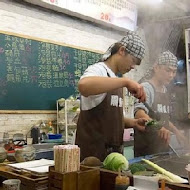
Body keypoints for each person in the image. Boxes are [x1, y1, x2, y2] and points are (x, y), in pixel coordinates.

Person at [75, 31, 148, 161]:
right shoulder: (99, 70)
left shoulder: (115, 79)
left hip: (113, 157)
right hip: (93, 158)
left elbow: (112, 118)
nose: (132, 67)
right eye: (133, 61)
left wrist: (134, 123)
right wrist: (126, 82)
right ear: (121, 50)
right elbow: (83, 85)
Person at [134, 51, 187, 157]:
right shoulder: (147, 88)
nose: (171, 75)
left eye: (174, 72)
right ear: (156, 68)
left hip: (162, 150)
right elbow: (139, 113)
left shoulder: (165, 90)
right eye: (168, 70)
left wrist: (177, 132)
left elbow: (164, 120)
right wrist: (157, 127)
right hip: (146, 151)